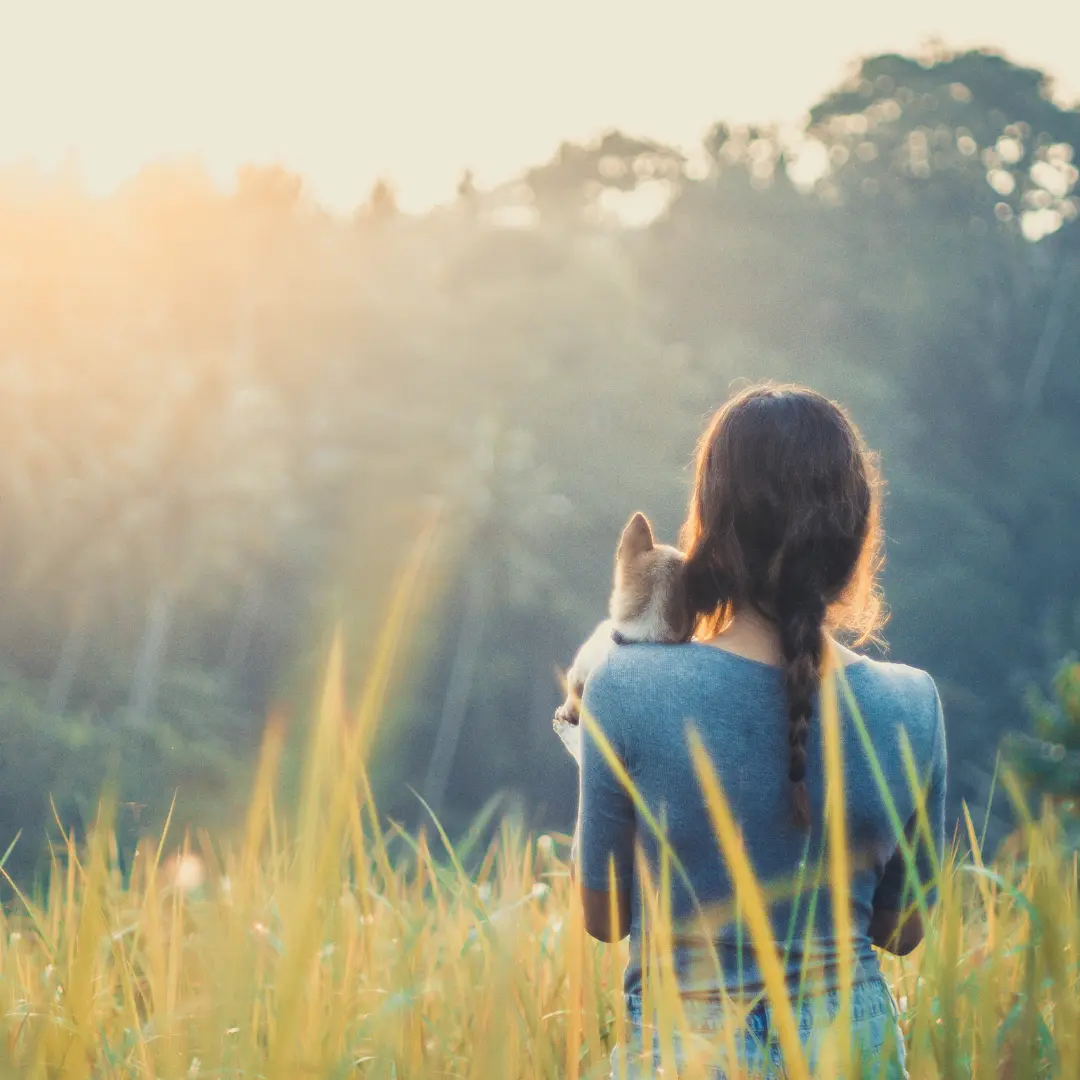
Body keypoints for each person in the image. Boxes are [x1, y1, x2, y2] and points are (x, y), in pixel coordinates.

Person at [573, 383, 947, 1079]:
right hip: (852, 1043)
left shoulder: (625, 687)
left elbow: (605, 916)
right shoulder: (911, 703)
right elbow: (903, 931)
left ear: (711, 530)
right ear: (855, 536)